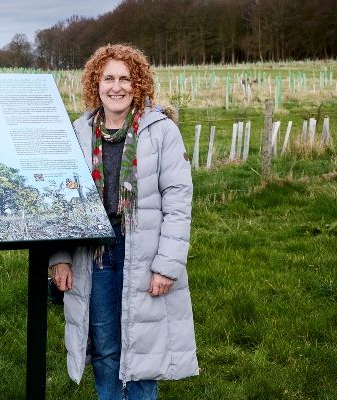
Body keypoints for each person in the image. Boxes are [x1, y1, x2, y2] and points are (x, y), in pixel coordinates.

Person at [49, 44, 198, 400]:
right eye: (108, 78)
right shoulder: (78, 133)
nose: (117, 87)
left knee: (145, 347)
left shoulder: (161, 131)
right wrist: (60, 257)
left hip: (144, 248)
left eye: (125, 79)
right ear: (95, 84)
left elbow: (178, 202)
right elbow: (61, 202)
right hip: (94, 252)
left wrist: (166, 266)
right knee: (104, 345)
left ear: (139, 84)